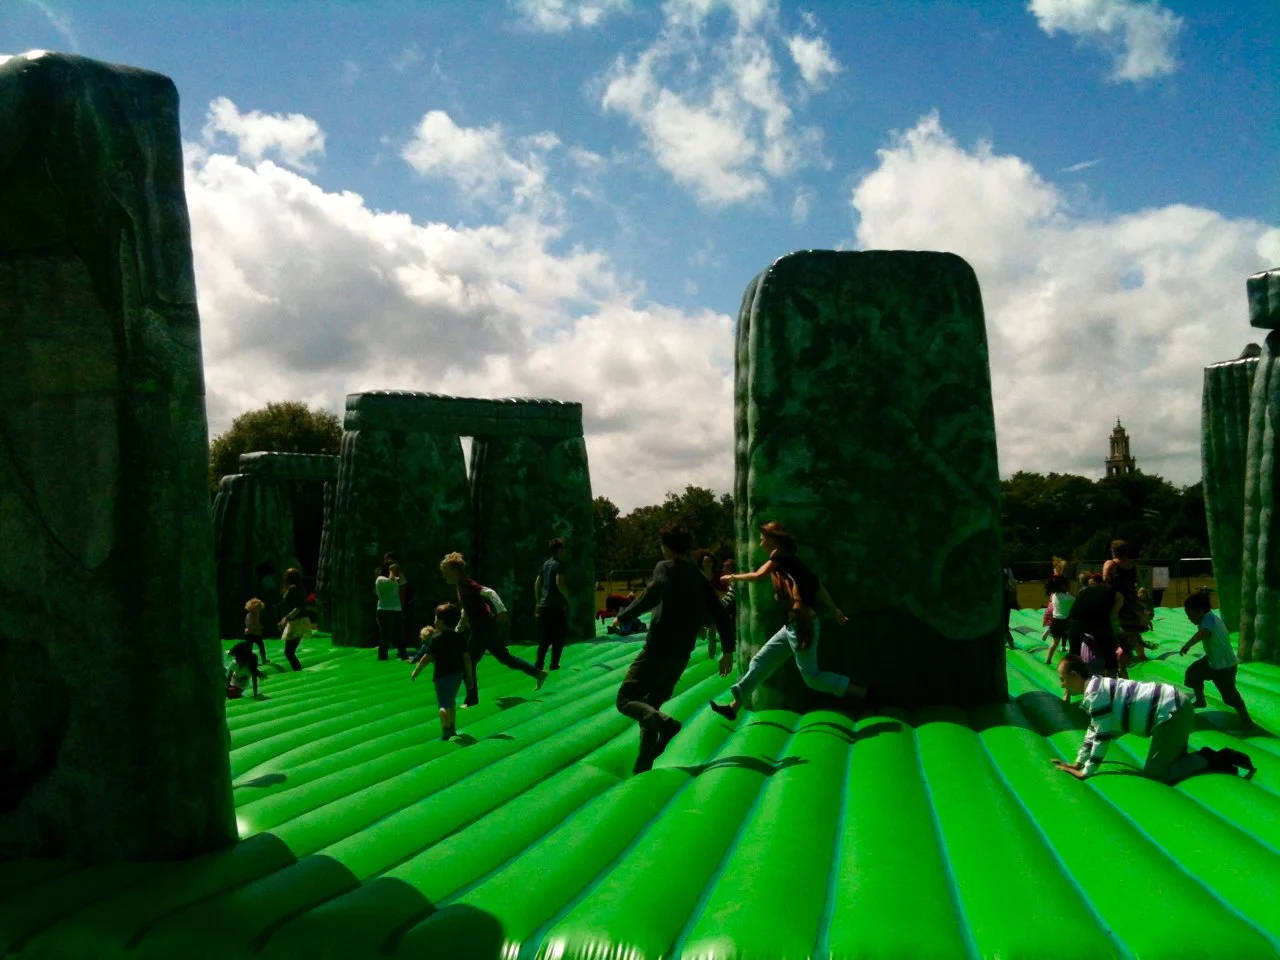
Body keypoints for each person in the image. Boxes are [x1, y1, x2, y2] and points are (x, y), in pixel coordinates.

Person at [709, 522, 866, 721]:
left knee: (812, 678)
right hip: (792, 625)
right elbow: (818, 585)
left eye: (762, 539)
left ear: (772, 540)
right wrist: (834, 610)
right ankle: (734, 707)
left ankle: (864, 694)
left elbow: (758, 575)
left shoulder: (780, 556)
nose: (760, 543)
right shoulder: (792, 561)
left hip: (802, 625)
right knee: (760, 661)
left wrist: (733, 577)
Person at [613, 524, 735, 774]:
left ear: (666, 546)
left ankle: (667, 725)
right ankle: (643, 766)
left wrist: (623, 616)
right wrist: (728, 651)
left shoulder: (665, 567)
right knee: (651, 706)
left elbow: (651, 594)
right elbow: (720, 614)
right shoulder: (697, 576)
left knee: (625, 699)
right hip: (680, 655)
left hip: (657, 650)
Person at [1052, 655, 1254, 782]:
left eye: (1063, 679)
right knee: (1172, 761)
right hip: (1173, 709)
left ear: (1075, 675)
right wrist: (1078, 762)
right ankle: (1203, 759)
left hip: (1171, 712)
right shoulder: (1095, 689)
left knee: (1156, 774)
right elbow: (1094, 730)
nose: (1062, 685)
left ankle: (1211, 758)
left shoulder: (1096, 694)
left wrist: (1087, 772)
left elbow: (1102, 737)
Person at [440, 552, 546, 707]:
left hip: (482, 628)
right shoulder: (461, 586)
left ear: (454, 570)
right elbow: (467, 607)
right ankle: (538, 673)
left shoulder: (467, 584)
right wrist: (460, 626)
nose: (444, 576)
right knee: (505, 658)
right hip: (486, 627)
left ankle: (471, 700)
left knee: (467, 662)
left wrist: (501, 610)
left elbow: (490, 592)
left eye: (445, 572)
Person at [1181, 591, 1254, 731]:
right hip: (1212, 661)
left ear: (1200, 611)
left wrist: (1188, 645)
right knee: (1193, 672)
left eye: (1190, 615)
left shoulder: (1209, 620)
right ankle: (1201, 701)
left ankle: (1246, 719)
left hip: (1224, 667)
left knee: (1230, 696)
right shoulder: (1209, 618)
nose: (1189, 619)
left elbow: (1204, 633)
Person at [410, 603, 471, 740]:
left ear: (441, 621)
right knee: (451, 701)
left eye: (436, 618)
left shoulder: (436, 639)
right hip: (457, 675)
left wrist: (416, 671)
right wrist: (469, 676)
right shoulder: (460, 638)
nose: (434, 620)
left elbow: (426, 658)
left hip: (441, 677)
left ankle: (446, 729)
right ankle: (453, 727)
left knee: (443, 705)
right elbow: (466, 658)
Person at [1067, 572, 1124, 681]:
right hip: (1096, 621)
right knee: (1109, 655)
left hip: (1074, 621)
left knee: (1074, 656)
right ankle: (1111, 684)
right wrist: (1114, 637)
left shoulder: (1085, 591)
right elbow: (1112, 617)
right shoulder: (1117, 595)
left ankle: (1070, 686)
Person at [1103, 540, 1152, 664]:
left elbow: (1105, 583)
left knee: (1115, 631)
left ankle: (1119, 658)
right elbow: (1141, 583)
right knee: (1132, 630)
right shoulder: (1133, 566)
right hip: (1130, 602)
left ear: (1113, 551)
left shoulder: (1110, 564)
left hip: (1116, 602)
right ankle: (1141, 655)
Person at [534, 538, 571, 670]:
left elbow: (537, 583)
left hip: (544, 606)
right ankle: (554, 664)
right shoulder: (560, 564)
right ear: (559, 550)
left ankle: (539, 664)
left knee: (545, 638)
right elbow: (559, 583)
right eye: (564, 548)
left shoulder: (546, 564)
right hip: (556, 607)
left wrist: (538, 602)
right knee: (558, 637)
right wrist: (568, 598)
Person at [278, 567, 311, 671]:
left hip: (296, 622)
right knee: (290, 652)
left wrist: (286, 618)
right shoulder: (300, 589)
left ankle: (298, 671)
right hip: (301, 622)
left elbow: (297, 608)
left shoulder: (293, 589)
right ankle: (298, 670)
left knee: (289, 652)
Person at [375, 561, 408, 661]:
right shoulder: (380, 579)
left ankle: (403, 655)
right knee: (386, 636)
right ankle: (383, 657)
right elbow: (391, 581)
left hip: (397, 609)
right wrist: (391, 570)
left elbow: (403, 582)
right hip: (384, 610)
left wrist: (398, 571)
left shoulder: (395, 578)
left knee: (400, 634)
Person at [1042, 576, 1075, 665]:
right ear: (1064, 586)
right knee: (1072, 642)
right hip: (1066, 622)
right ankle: (1071, 661)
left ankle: (1048, 660)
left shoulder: (1054, 596)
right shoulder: (1070, 598)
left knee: (1055, 643)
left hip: (1055, 621)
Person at [696, 550, 720, 659]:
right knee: (699, 633)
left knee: (712, 633)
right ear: (701, 563)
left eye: (709, 561)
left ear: (713, 563)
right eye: (705, 561)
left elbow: (721, 591)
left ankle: (712, 656)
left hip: (712, 607)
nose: (707, 563)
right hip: (699, 607)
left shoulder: (716, 576)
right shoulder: (698, 575)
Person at [244, 597, 268, 663]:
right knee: (249, 648)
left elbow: (256, 623)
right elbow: (249, 625)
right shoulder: (249, 615)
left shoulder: (257, 614)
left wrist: (259, 627)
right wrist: (258, 627)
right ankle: (248, 661)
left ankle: (264, 659)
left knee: (262, 647)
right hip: (250, 634)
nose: (259, 609)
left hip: (257, 633)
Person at [1003, 562, 1020, 650]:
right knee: (1004, 625)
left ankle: (1009, 642)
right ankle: (1009, 642)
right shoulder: (1007, 570)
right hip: (1005, 604)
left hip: (1002, 604)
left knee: (1003, 626)